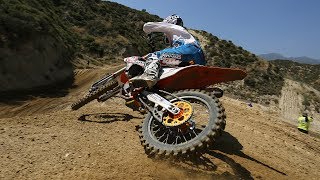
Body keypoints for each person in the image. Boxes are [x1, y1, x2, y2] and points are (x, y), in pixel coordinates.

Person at [129, 14, 206, 88]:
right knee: (163, 60)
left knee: (154, 55)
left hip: (189, 49)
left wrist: (148, 32)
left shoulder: (173, 27)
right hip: (198, 58)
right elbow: (168, 54)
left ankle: (149, 76)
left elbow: (147, 26)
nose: (164, 35)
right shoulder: (180, 37)